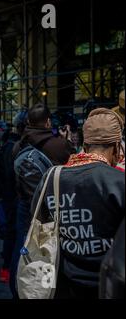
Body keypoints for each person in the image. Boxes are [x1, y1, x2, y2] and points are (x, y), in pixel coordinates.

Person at [31, 108, 124, 298]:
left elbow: (39, 234)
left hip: (63, 283)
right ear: (116, 146)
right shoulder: (118, 182)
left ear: (85, 144)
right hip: (106, 286)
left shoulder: (51, 178)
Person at [10, 103, 75, 298]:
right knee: (49, 250)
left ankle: (20, 287)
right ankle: (45, 290)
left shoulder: (18, 145)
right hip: (52, 205)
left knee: (24, 246)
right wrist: (68, 140)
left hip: (25, 205)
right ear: (48, 122)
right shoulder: (59, 144)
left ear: (28, 121)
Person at [0, 108, 28, 283]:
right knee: (15, 234)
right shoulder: (15, 148)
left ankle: (7, 268)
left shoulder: (6, 146)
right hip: (15, 197)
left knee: (11, 232)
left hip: (8, 197)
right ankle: (9, 269)